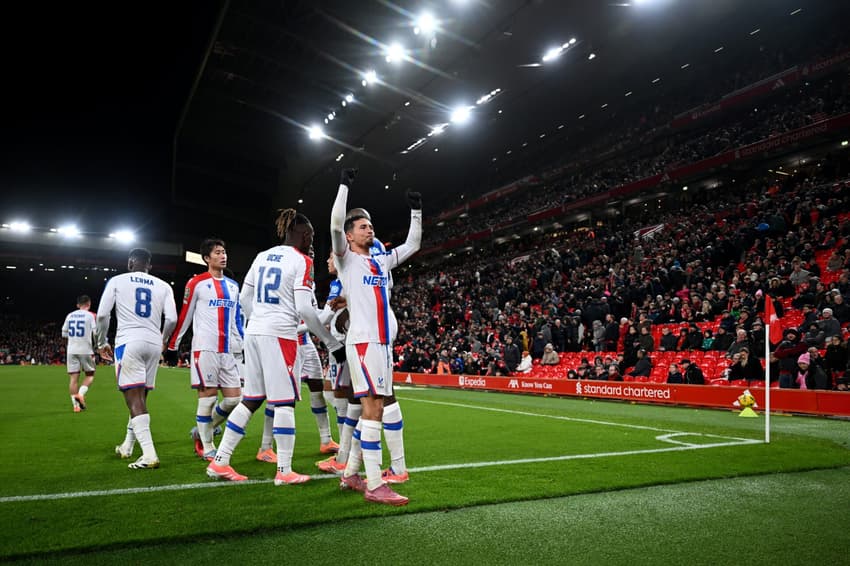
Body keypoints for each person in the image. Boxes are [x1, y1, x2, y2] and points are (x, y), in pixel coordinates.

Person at [207, 209, 346, 486]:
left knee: (252, 398)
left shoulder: (261, 256)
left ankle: (220, 461)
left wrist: (258, 319)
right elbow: (306, 308)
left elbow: (244, 298)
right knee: (284, 403)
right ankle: (284, 470)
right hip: (280, 334)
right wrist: (330, 342)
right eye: (312, 236)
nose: (312, 242)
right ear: (304, 235)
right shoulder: (302, 261)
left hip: (254, 331)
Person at [330, 168, 420, 506]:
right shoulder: (347, 260)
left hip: (382, 345)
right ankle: (375, 484)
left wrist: (416, 211)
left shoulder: (382, 262)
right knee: (373, 408)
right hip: (365, 342)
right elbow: (336, 223)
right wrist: (344, 186)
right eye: (363, 226)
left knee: (374, 407)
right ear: (350, 236)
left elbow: (413, 244)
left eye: (371, 226)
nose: (370, 229)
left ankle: (351, 474)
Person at [96, 248, 178, 469]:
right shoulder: (164, 286)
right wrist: (162, 340)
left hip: (129, 340)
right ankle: (127, 446)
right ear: (149, 265)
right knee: (140, 397)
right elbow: (172, 318)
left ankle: (149, 454)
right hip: (153, 343)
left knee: (133, 398)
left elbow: (103, 314)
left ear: (130, 262)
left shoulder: (117, 280)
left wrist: (101, 342)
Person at [166, 238, 243, 461]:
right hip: (205, 349)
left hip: (227, 350)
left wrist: (243, 343)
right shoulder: (196, 283)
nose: (223, 255)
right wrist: (173, 345)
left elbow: (236, 321)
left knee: (233, 400)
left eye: (224, 251)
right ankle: (207, 444)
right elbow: (185, 316)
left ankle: (201, 430)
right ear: (207, 258)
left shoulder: (233, 286)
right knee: (207, 398)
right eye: (218, 252)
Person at [61, 294, 97, 412]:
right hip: (86, 349)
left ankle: (76, 406)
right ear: (89, 304)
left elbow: (64, 333)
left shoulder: (70, 315)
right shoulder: (91, 315)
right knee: (90, 375)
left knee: (73, 379)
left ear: (78, 305)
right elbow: (95, 332)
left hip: (71, 350)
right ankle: (80, 395)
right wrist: (96, 345)